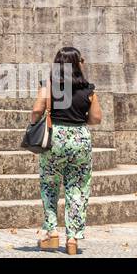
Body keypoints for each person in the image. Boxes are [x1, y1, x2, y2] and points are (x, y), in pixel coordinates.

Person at [30, 46, 101, 254]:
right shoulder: (88, 89)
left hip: (54, 139)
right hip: (80, 139)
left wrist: (35, 122)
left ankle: (51, 233)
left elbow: (36, 110)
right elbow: (96, 118)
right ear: (78, 64)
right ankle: (72, 239)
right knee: (77, 188)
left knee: (50, 185)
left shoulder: (48, 85)